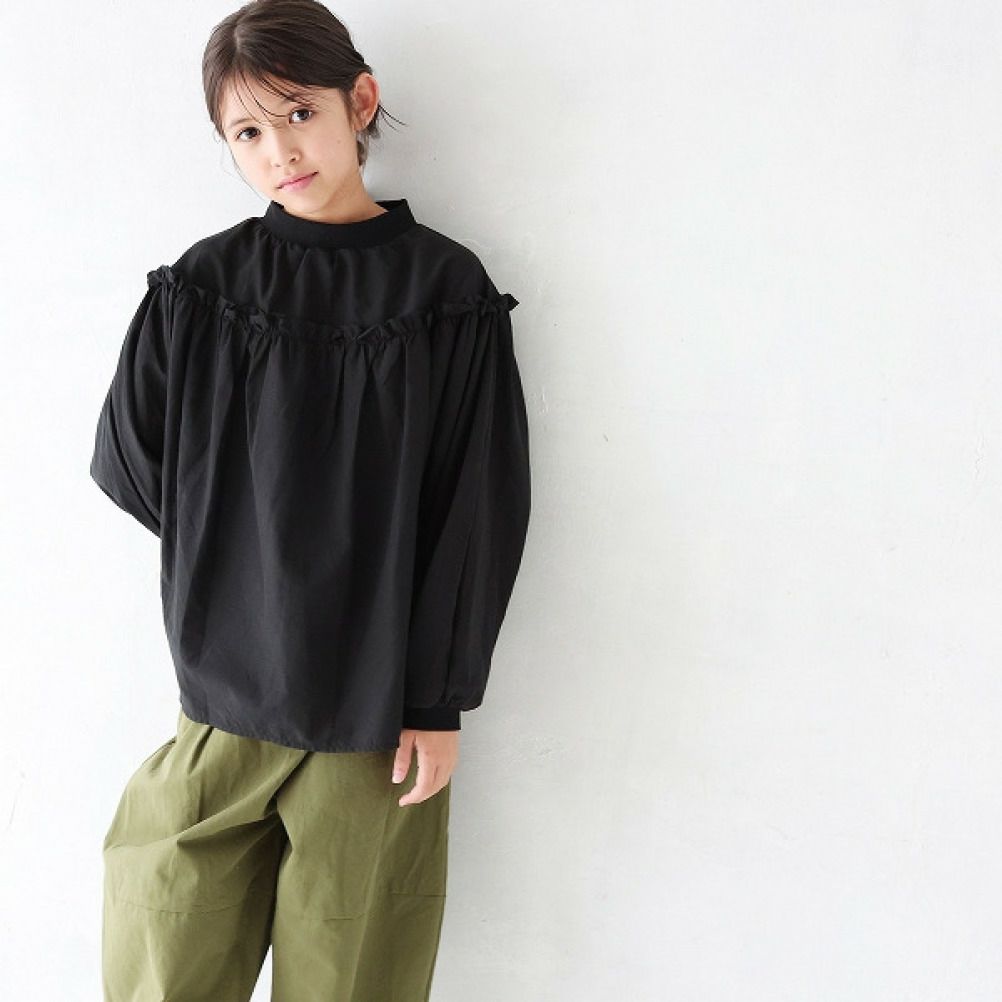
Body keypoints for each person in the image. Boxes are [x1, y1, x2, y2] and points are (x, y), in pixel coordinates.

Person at [89, 1, 532, 999]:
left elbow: (477, 505)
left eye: (298, 113)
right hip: (221, 706)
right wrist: (246, 554)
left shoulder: (445, 294)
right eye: (247, 132)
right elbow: (130, 457)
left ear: (358, 101)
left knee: (350, 976)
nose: (279, 150)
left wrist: (436, 701)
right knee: (163, 944)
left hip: (375, 719)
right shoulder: (202, 288)